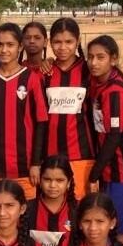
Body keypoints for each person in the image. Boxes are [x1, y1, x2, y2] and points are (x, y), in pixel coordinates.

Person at [0, 23, 48, 200]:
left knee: (24, 221)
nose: (4, 50)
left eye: (10, 45)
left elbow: (41, 122)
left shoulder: (31, 79)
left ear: (20, 47)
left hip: (24, 167)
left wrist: (35, 163)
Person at [85, 35, 123, 244]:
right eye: (90, 57)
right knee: (108, 225)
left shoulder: (115, 90)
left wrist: (94, 174)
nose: (94, 63)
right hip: (110, 169)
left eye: (100, 57)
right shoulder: (97, 82)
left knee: (122, 229)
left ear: (113, 59)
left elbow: (114, 135)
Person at [43, 18, 95, 197]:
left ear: (78, 41)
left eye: (69, 42)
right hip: (50, 155)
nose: (62, 47)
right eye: (57, 42)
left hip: (82, 154)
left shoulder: (89, 70)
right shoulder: (45, 72)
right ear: (50, 42)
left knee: (80, 209)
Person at [26, 155, 79, 246]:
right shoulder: (27, 209)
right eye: (47, 179)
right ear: (40, 180)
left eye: (59, 180)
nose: (53, 185)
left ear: (68, 183)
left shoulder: (78, 210)